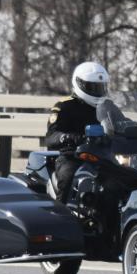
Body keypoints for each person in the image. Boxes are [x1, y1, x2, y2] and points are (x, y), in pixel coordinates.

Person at [45, 61, 109, 202]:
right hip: (74, 157)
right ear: (79, 84)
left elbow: (122, 122)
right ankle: (61, 216)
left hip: (104, 157)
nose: (97, 91)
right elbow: (50, 136)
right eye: (92, 87)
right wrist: (66, 137)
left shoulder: (108, 107)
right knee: (69, 177)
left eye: (100, 87)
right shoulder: (65, 106)